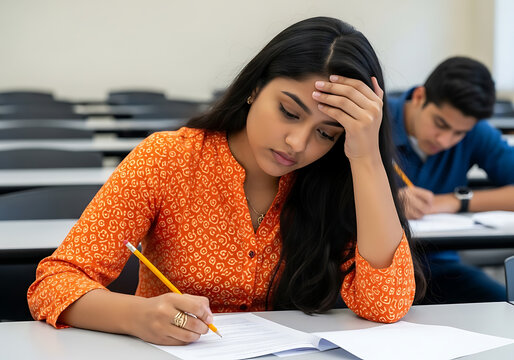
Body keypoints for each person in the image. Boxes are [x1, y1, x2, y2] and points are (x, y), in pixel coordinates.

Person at [28, 17, 424, 346]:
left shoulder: (339, 180)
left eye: (327, 134)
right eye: (288, 111)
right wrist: (135, 316)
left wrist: (367, 158)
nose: (298, 143)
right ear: (254, 88)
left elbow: (384, 306)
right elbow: (54, 282)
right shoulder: (170, 158)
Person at [389, 56, 514, 304]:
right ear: (419, 97)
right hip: (366, 269)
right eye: (440, 124)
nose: (445, 141)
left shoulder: (475, 131)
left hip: (439, 270)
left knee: (504, 308)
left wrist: (455, 201)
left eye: (459, 133)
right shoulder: (375, 121)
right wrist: (387, 203)